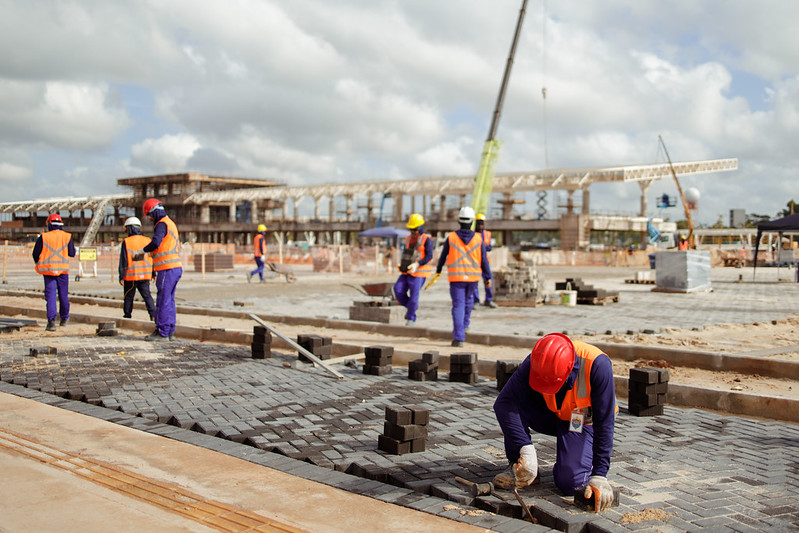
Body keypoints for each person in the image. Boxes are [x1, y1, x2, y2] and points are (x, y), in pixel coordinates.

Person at [493, 333, 617, 512]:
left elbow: (605, 422)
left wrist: (600, 474)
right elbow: (504, 403)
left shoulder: (597, 364)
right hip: (552, 414)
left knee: (569, 482)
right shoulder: (538, 361)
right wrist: (525, 448)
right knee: (513, 406)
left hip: (583, 421)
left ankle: (579, 460)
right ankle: (520, 467)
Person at [428, 206, 491, 347]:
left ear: (459, 220)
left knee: (458, 306)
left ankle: (458, 338)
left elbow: (443, 257)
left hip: (456, 278)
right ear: (472, 221)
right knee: (468, 302)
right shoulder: (478, 238)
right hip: (473, 278)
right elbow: (484, 260)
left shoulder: (451, 237)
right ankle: (465, 325)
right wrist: (488, 277)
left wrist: (438, 271)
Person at [134, 198, 182, 341]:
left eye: (149, 215)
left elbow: (155, 242)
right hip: (175, 268)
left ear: (154, 212)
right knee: (169, 300)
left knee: (162, 300)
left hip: (167, 268)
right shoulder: (170, 223)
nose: (149, 218)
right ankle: (170, 331)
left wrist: (142, 250)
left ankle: (162, 332)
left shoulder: (162, 224)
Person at [32, 213, 76, 331]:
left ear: (49, 224)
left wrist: (39, 262)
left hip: (48, 271)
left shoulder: (44, 237)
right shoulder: (67, 236)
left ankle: (51, 322)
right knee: (63, 295)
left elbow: (35, 253)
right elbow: (72, 253)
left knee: (51, 296)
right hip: (63, 271)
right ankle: (64, 318)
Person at [393, 213, 434, 326]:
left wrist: (417, 264)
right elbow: (406, 254)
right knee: (398, 289)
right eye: (411, 229)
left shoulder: (427, 239)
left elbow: (429, 256)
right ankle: (411, 307)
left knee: (414, 295)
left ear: (420, 228)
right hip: (407, 271)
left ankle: (411, 318)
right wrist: (402, 265)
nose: (413, 232)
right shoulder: (408, 238)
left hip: (419, 273)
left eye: (415, 229)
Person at [118, 217, 155, 320]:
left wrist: (121, 275)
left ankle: (127, 316)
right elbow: (152, 257)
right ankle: (153, 315)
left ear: (129, 229)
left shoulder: (127, 241)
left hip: (131, 275)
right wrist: (153, 273)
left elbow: (123, 260)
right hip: (145, 274)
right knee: (147, 296)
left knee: (129, 297)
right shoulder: (148, 240)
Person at [472, 213, 496, 308]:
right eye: (479, 223)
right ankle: (476, 301)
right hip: (475, 261)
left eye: (482, 223)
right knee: (474, 281)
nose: (480, 225)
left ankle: (488, 300)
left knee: (488, 280)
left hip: (485, 261)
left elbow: (489, 247)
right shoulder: (472, 234)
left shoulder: (487, 234)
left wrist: (485, 247)